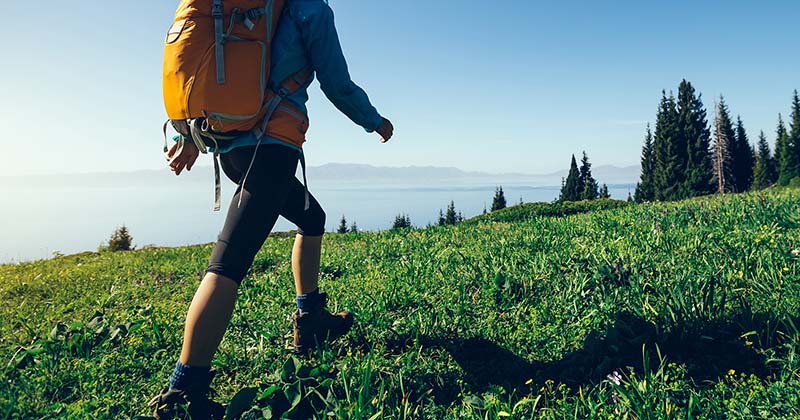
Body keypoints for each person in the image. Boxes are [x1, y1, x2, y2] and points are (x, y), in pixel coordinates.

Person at [149, 0, 393, 418]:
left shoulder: (252, 7)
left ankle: (310, 317)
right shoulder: (309, 8)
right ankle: (184, 393)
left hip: (231, 148)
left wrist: (191, 136)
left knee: (311, 217)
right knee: (227, 264)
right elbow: (336, 82)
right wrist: (374, 121)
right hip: (271, 149)